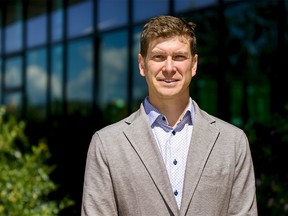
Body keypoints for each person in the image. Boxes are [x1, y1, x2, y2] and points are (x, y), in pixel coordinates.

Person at [81, 15, 258, 216]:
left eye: (179, 57)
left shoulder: (233, 142)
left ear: (194, 64)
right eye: (158, 57)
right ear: (142, 64)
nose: (169, 68)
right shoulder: (106, 144)